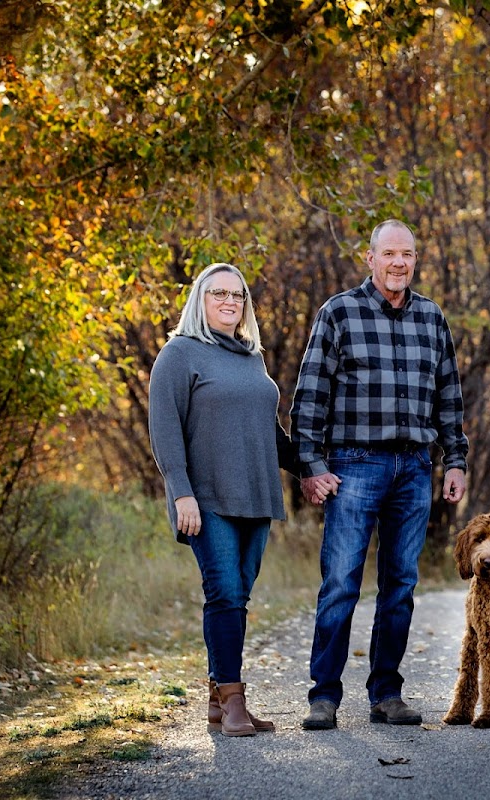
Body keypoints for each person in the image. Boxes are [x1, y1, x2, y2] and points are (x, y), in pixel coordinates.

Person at [291, 219, 469, 730]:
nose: (398, 262)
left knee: (400, 585)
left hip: (414, 468)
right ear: (370, 258)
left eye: (407, 254)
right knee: (341, 582)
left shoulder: (431, 317)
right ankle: (324, 697)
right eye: (389, 253)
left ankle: (387, 694)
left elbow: (449, 398)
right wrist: (312, 466)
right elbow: (310, 397)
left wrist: (455, 459)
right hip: (355, 465)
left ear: (415, 260)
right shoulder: (339, 313)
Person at [148, 262, 306, 737]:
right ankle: (234, 700)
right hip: (207, 498)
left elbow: (270, 434)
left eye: (237, 295)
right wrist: (181, 493)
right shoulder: (179, 353)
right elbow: (164, 429)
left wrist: (312, 469)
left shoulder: (251, 357)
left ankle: (219, 701)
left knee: (238, 596)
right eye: (218, 293)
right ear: (200, 299)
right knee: (225, 592)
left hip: (256, 496)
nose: (229, 301)